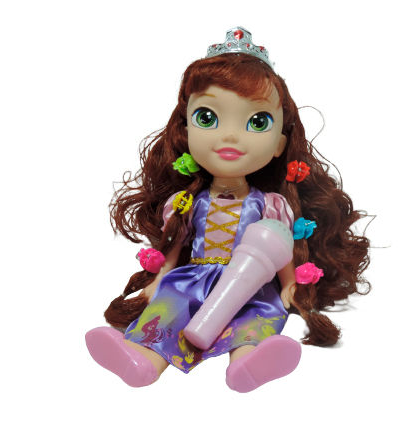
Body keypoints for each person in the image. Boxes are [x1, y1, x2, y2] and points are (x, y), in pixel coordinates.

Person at [86, 27, 370, 392]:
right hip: (192, 279)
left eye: (257, 122)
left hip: (251, 284)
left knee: (254, 317)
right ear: (185, 131)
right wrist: (158, 279)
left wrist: (288, 286)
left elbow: (279, 249)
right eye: (207, 118)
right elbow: (174, 246)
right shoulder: (187, 203)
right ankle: (141, 361)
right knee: (169, 310)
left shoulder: (270, 205)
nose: (231, 136)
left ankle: (248, 362)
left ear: (280, 143)